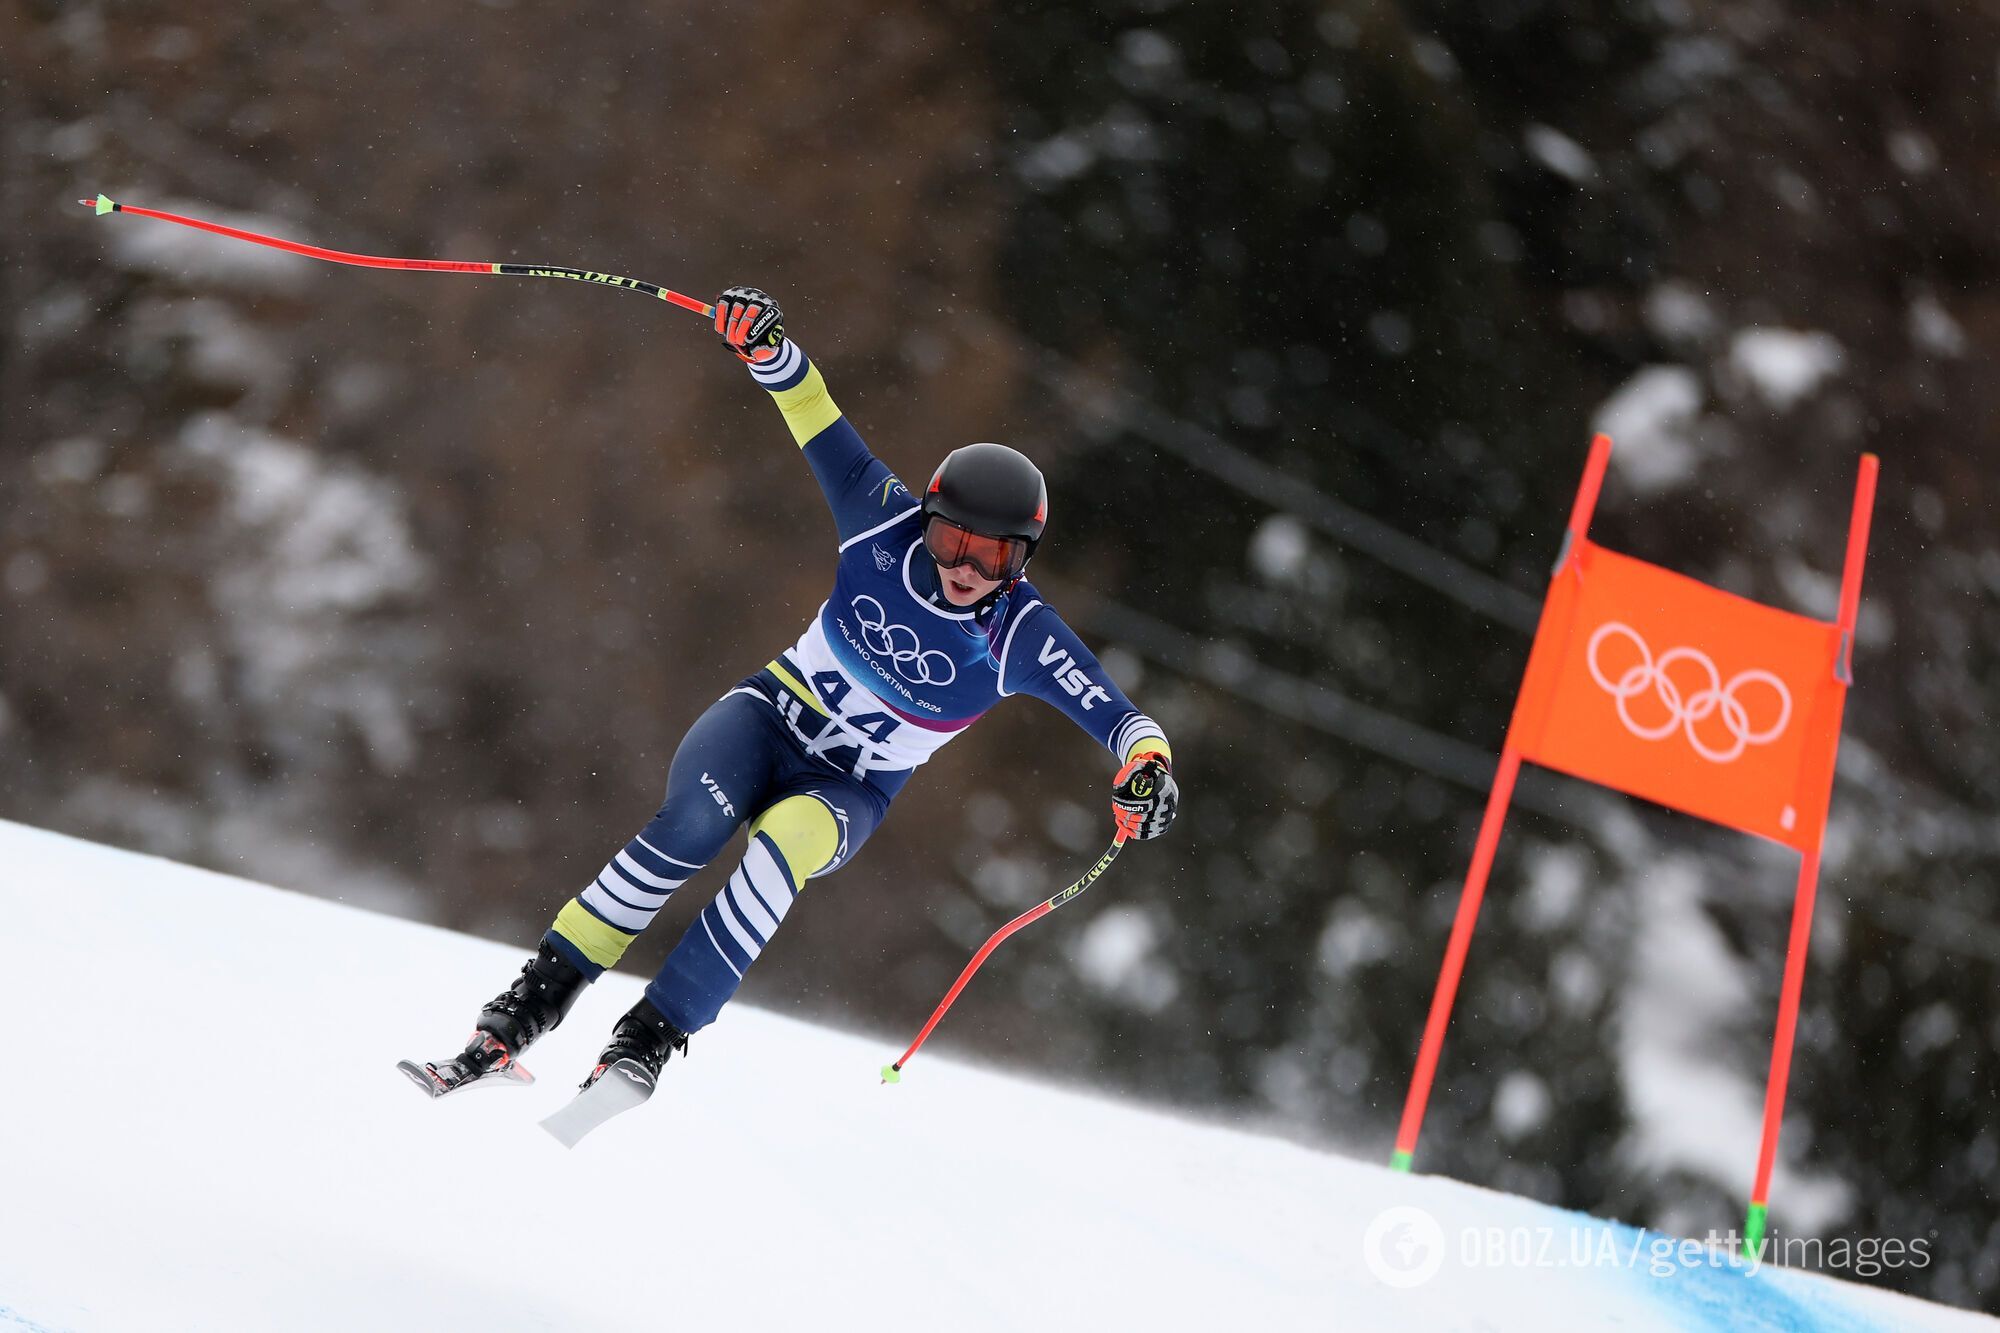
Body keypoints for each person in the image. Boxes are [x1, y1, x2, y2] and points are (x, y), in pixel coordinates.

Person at [413, 288, 1179, 1099]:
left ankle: (648, 1038)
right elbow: (811, 407)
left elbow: (1124, 721)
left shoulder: (1022, 634)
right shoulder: (880, 522)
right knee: (693, 823)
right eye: (953, 539)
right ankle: (524, 1013)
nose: (965, 569)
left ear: (1022, 560)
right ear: (926, 517)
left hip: (850, 787)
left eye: (994, 559)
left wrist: (1146, 772)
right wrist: (762, 341)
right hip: (766, 718)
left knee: (783, 849)